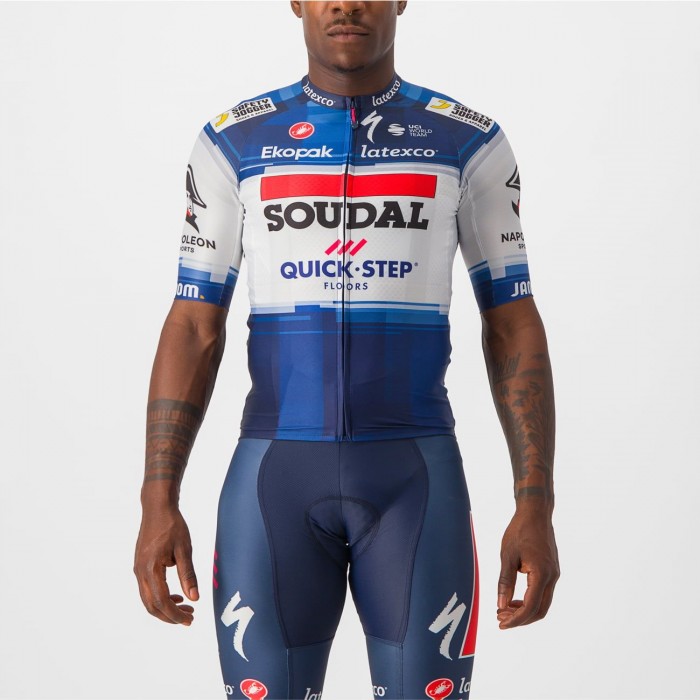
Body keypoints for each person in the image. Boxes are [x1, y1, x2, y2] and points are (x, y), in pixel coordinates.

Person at [134, 2, 560, 699]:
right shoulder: (232, 142)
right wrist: (157, 500)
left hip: (414, 482)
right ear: (296, 2)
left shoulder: (468, 141)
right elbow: (193, 326)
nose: (345, 4)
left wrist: (535, 505)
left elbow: (512, 322)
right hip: (274, 480)